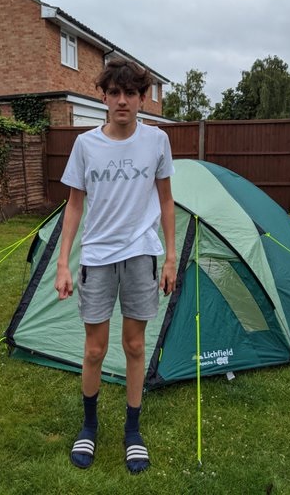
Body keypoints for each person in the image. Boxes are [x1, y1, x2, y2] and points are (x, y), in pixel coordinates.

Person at [54, 58, 176, 474]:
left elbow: (165, 201)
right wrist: (62, 263)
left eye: (131, 93)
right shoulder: (86, 146)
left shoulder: (157, 141)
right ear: (104, 98)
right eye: (114, 93)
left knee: (135, 346)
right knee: (94, 349)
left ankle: (133, 430)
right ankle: (89, 426)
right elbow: (74, 206)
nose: (122, 100)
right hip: (97, 258)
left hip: (141, 254)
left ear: (142, 99)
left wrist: (172, 256)